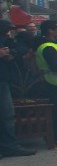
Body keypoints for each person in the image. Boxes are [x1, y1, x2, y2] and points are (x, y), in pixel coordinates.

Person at [0, 20, 36, 156]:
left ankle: (9, 145)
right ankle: (9, 145)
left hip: (4, 79)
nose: (8, 33)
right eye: (6, 30)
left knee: (7, 115)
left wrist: (11, 54)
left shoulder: (7, 40)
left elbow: (20, 49)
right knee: (6, 114)